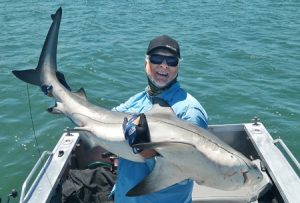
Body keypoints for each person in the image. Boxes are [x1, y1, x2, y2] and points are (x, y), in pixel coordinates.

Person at [112, 35, 208, 203]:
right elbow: (102, 121)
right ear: (146, 63)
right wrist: (65, 97)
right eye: (157, 58)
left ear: (178, 67)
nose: (164, 65)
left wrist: (145, 149)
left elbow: (188, 170)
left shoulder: (190, 112)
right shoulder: (139, 99)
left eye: (171, 61)